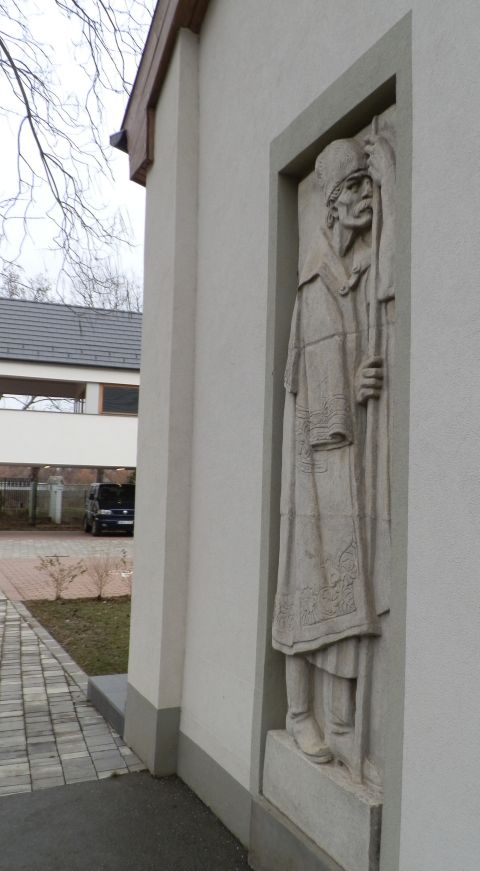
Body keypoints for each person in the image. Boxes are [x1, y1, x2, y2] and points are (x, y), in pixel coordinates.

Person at [272, 131, 395, 779]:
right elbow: (316, 381)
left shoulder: (357, 270)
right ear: (331, 202)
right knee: (310, 580)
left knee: (348, 585)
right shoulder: (315, 281)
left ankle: (342, 720)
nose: (364, 197)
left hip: (344, 467)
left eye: (367, 187)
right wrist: (353, 387)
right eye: (354, 188)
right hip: (318, 462)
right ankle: (300, 711)